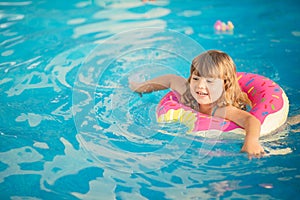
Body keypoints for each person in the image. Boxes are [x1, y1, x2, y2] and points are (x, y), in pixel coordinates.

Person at [129, 50, 265, 158]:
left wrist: (251, 142)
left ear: (225, 84)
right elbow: (170, 79)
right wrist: (140, 87)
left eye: (209, 81)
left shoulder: (220, 108)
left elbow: (250, 120)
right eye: (196, 78)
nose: (200, 86)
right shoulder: (188, 93)